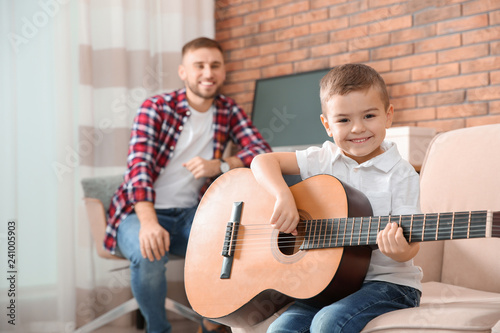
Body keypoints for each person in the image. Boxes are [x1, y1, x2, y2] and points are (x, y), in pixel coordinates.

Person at [104, 37, 272, 333]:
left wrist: (220, 165)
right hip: (139, 212)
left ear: (223, 72)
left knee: (234, 246)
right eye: (200, 66)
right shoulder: (155, 107)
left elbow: (262, 151)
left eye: (215, 66)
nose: (208, 73)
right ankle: (158, 329)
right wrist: (149, 223)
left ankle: (213, 322)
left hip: (190, 213)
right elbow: (138, 169)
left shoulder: (228, 110)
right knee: (148, 255)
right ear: (183, 72)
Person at [250, 63, 422, 333]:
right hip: (328, 284)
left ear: (388, 116)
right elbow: (261, 161)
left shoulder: (402, 175)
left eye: (369, 116)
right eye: (343, 120)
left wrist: (401, 250)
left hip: (390, 285)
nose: (357, 128)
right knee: (279, 330)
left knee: (328, 323)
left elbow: (411, 245)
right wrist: (282, 195)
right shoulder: (323, 158)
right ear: (327, 125)